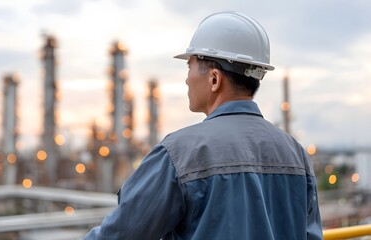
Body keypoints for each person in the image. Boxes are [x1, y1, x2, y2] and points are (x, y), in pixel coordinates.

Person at [83, 11, 322, 239]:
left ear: (214, 79)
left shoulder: (179, 154)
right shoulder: (297, 155)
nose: (187, 79)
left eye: (190, 67)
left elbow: (123, 233)